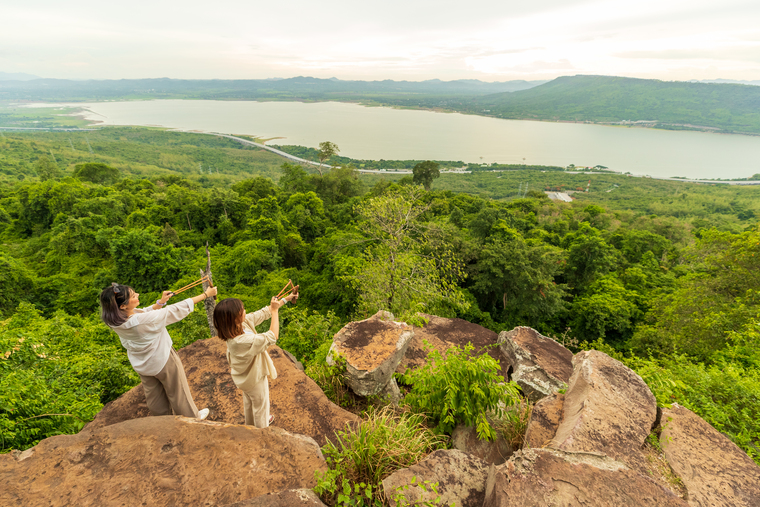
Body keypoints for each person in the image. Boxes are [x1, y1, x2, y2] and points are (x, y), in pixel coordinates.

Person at [99, 282, 217, 420]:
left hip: (142, 363)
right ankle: (192, 418)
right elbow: (174, 310)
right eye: (132, 296)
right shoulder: (141, 321)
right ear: (123, 306)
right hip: (163, 358)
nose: (137, 295)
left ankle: (162, 421)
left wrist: (160, 302)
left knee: (154, 396)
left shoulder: (113, 320)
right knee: (178, 392)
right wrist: (206, 294)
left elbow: (141, 313)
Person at [213, 288, 298, 428]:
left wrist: (286, 299)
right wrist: (275, 311)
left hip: (244, 378)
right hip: (254, 378)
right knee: (261, 407)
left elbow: (264, 313)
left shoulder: (239, 325)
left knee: (249, 403)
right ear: (234, 318)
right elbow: (272, 336)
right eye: (242, 311)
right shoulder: (240, 341)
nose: (245, 312)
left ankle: (250, 426)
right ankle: (261, 432)